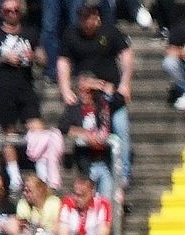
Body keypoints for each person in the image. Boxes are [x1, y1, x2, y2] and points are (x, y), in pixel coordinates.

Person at [55, 2, 131, 189]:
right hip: (86, 96)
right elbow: (63, 61)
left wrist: (125, 84)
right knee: (77, 127)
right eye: (82, 18)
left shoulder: (110, 32)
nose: (85, 22)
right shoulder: (71, 34)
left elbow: (126, 54)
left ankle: (123, 174)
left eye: (88, 17)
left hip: (109, 94)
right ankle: (87, 171)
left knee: (121, 128)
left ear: (97, 17)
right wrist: (65, 88)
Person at [0, 1, 42, 133]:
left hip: (26, 88)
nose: (12, 14)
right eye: (8, 11)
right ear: (1, 13)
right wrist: (4, 59)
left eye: (16, 10)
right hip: (4, 90)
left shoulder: (30, 32)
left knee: (38, 130)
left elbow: (43, 59)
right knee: (9, 135)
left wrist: (33, 56)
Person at [53, 170, 110, 235]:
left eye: (81, 195)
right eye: (75, 194)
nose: (76, 198)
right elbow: (62, 230)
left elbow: (103, 234)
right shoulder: (67, 202)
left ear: (91, 193)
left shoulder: (102, 204)